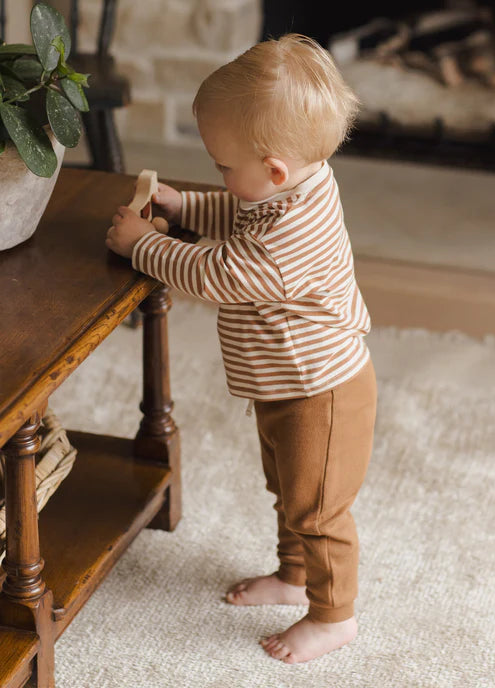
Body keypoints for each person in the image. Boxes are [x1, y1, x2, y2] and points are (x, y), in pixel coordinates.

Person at [105, 33, 377, 664]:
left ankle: (335, 617)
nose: (219, 175)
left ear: (275, 169)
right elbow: (240, 212)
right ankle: (293, 576)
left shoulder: (289, 240)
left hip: (321, 391)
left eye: (222, 165)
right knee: (289, 491)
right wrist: (187, 206)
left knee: (319, 508)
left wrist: (142, 244)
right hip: (284, 384)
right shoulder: (291, 187)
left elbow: (216, 273)